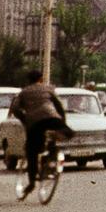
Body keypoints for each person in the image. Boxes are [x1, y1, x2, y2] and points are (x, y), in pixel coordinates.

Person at [8, 70, 69, 199]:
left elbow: (14, 108)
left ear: (28, 80)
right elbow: (59, 105)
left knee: (32, 152)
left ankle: (31, 183)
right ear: (41, 79)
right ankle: (52, 154)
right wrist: (63, 121)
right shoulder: (49, 88)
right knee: (62, 134)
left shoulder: (24, 92)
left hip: (35, 123)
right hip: (53, 119)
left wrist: (24, 119)